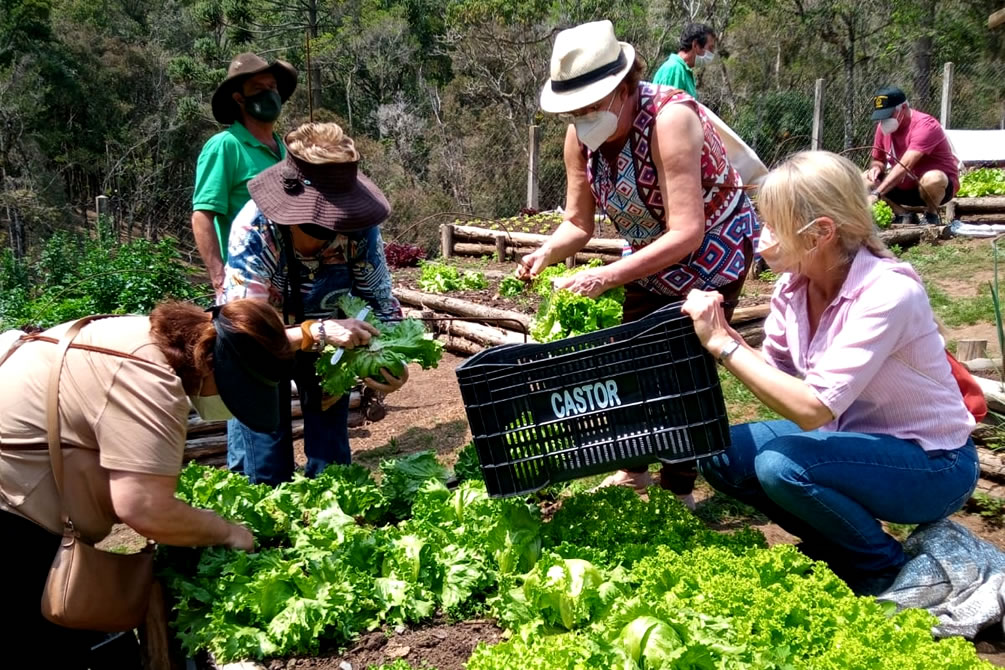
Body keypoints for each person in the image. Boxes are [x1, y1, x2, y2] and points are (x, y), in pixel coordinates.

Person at [0, 298, 363, 665]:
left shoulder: (158, 336)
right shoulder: (152, 376)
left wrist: (308, 334)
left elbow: (246, 337)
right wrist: (228, 531)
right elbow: (144, 508)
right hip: (11, 516)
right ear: (211, 365)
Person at [683, 150, 978, 596]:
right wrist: (725, 336)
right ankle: (836, 545)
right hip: (851, 438)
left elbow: (812, 410)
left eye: (773, 226)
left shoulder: (887, 293)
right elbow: (777, 375)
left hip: (933, 464)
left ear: (820, 232)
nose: (762, 238)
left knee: (782, 466)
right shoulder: (793, 287)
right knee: (722, 453)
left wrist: (723, 346)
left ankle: (881, 568)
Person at [519, 20, 758, 507]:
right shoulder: (580, 138)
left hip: (713, 250)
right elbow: (578, 223)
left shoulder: (671, 119)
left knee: (682, 367)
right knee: (632, 362)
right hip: (651, 253)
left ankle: (679, 489)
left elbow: (688, 231)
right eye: (575, 109)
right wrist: (547, 250)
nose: (584, 117)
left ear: (625, 87)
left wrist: (606, 275)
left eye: (591, 105)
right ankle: (635, 471)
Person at [221, 122, 408, 486]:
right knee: (263, 462)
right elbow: (244, 334)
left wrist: (387, 355)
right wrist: (317, 330)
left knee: (331, 463)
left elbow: (379, 300)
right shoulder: (255, 232)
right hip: (261, 348)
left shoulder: (360, 230)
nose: (333, 223)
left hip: (331, 351)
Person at [192, 52, 298, 299]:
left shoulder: (287, 150)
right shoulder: (225, 146)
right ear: (240, 98)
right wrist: (220, 279)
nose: (269, 93)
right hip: (245, 280)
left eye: (272, 86)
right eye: (258, 88)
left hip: (286, 284)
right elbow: (203, 215)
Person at [864, 86, 959, 226]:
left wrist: (876, 194)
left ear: (903, 108)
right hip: (904, 188)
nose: (884, 121)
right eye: (881, 117)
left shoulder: (926, 125)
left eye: (888, 115)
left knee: (933, 179)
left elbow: (906, 165)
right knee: (864, 178)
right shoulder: (883, 128)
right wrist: (876, 168)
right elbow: (878, 159)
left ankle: (932, 215)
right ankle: (903, 214)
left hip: (934, 189)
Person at [650, 23, 717, 98]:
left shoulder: (683, 71)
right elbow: (671, 108)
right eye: (710, 48)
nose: (712, 53)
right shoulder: (674, 70)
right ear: (695, 45)